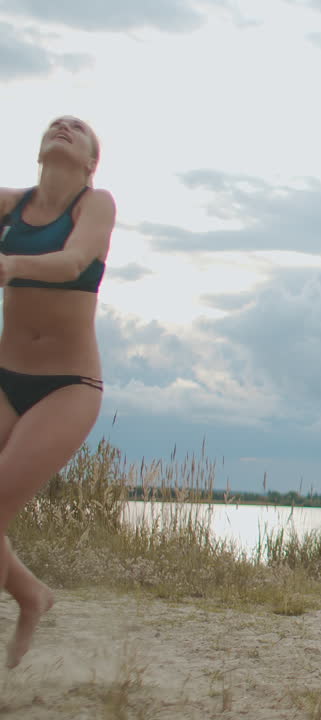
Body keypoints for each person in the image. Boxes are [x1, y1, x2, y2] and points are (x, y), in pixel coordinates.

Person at [0, 115, 115, 668]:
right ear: (39, 149)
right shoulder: (8, 205)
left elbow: (73, 261)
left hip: (68, 386)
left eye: (79, 127)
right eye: (55, 123)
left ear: (91, 160)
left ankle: (30, 597)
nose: (65, 125)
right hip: (5, 378)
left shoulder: (96, 205)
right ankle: (31, 595)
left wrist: (10, 264)